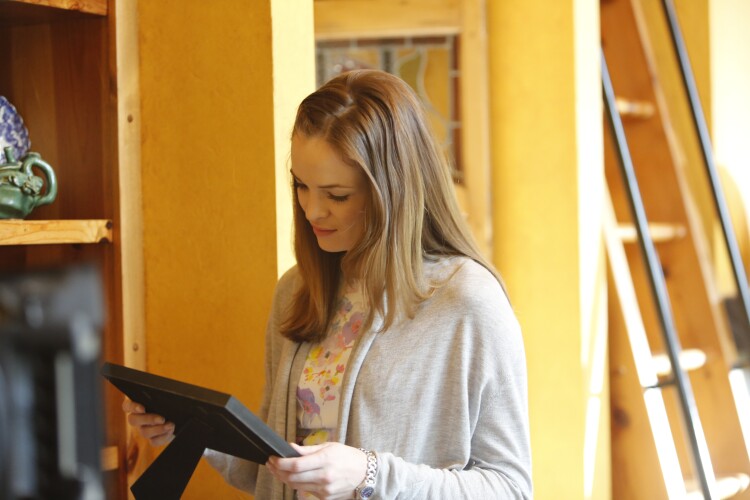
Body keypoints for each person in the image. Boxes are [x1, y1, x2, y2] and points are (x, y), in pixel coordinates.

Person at [123, 69, 532, 499]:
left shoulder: (467, 302)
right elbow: (269, 469)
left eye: (337, 195)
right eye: (302, 186)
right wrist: (196, 434)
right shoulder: (296, 292)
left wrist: (370, 474)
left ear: (392, 191)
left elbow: (511, 488)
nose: (313, 211)